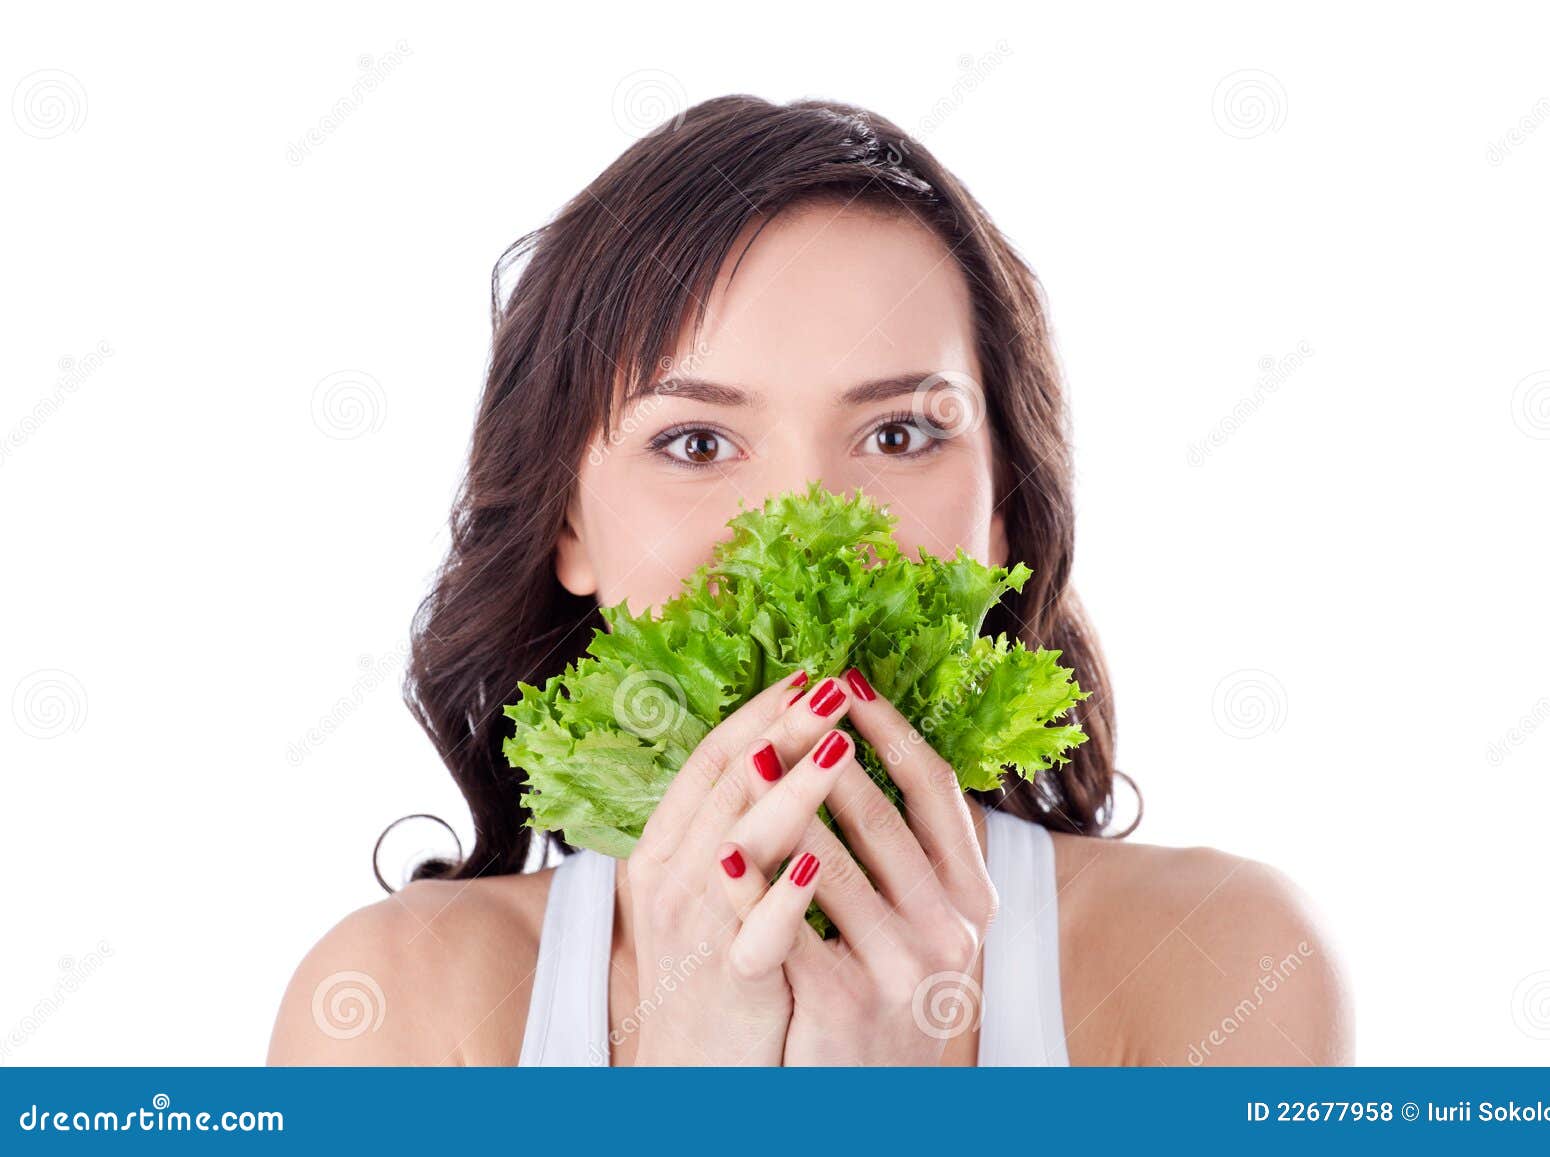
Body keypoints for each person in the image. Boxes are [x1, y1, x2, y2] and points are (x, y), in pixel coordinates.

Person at [268, 95, 1351, 1066]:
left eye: (897, 433)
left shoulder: (1218, 956)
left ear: (1003, 504)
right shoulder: (402, 1005)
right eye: (695, 442)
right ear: (567, 522)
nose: (810, 532)